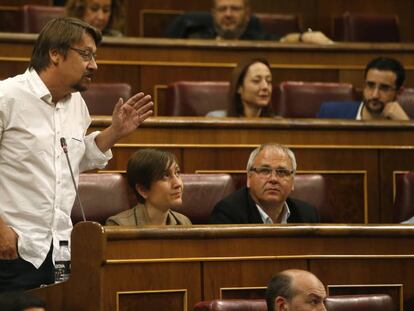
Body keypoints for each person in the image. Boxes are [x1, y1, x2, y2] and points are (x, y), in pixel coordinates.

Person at [0, 17, 153, 293]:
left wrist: (115, 132)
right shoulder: (6, 97)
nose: (94, 65)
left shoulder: (76, 105)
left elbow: (70, 161)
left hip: (60, 248)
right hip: (12, 246)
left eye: (94, 56)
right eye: (85, 55)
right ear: (55, 54)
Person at [209, 143, 320, 224]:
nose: (273, 179)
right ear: (249, 178)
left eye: (282, 172)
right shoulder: (228, 214)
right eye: (264, 170)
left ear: (292, 182)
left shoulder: (307, 215)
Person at [166, 0, 332, 44]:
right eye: (222, 9)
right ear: (213, 13)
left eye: (235, 8)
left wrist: (303, 37)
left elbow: (282, 41)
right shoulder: (194, 37)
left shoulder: (256, 38)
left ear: (247, 14)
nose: (228, 14)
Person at [106, 149, 191, 226]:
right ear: (142, 190)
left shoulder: (184, 222)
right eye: (166, 176)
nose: (178, 184)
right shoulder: (119, 225)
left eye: (177, 173)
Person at [317, 57, 410, 120]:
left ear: (399, 92)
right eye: (370, 85)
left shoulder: (405, 119)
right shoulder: (330, 113)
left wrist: (406, 125)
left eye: (384, 88)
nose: (375, 95)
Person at [207, 57, 274, 117]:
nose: (265, 87)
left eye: (269, 81)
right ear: (239, 87)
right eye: (256, 81)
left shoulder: (278, 124)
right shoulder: (216, 120)